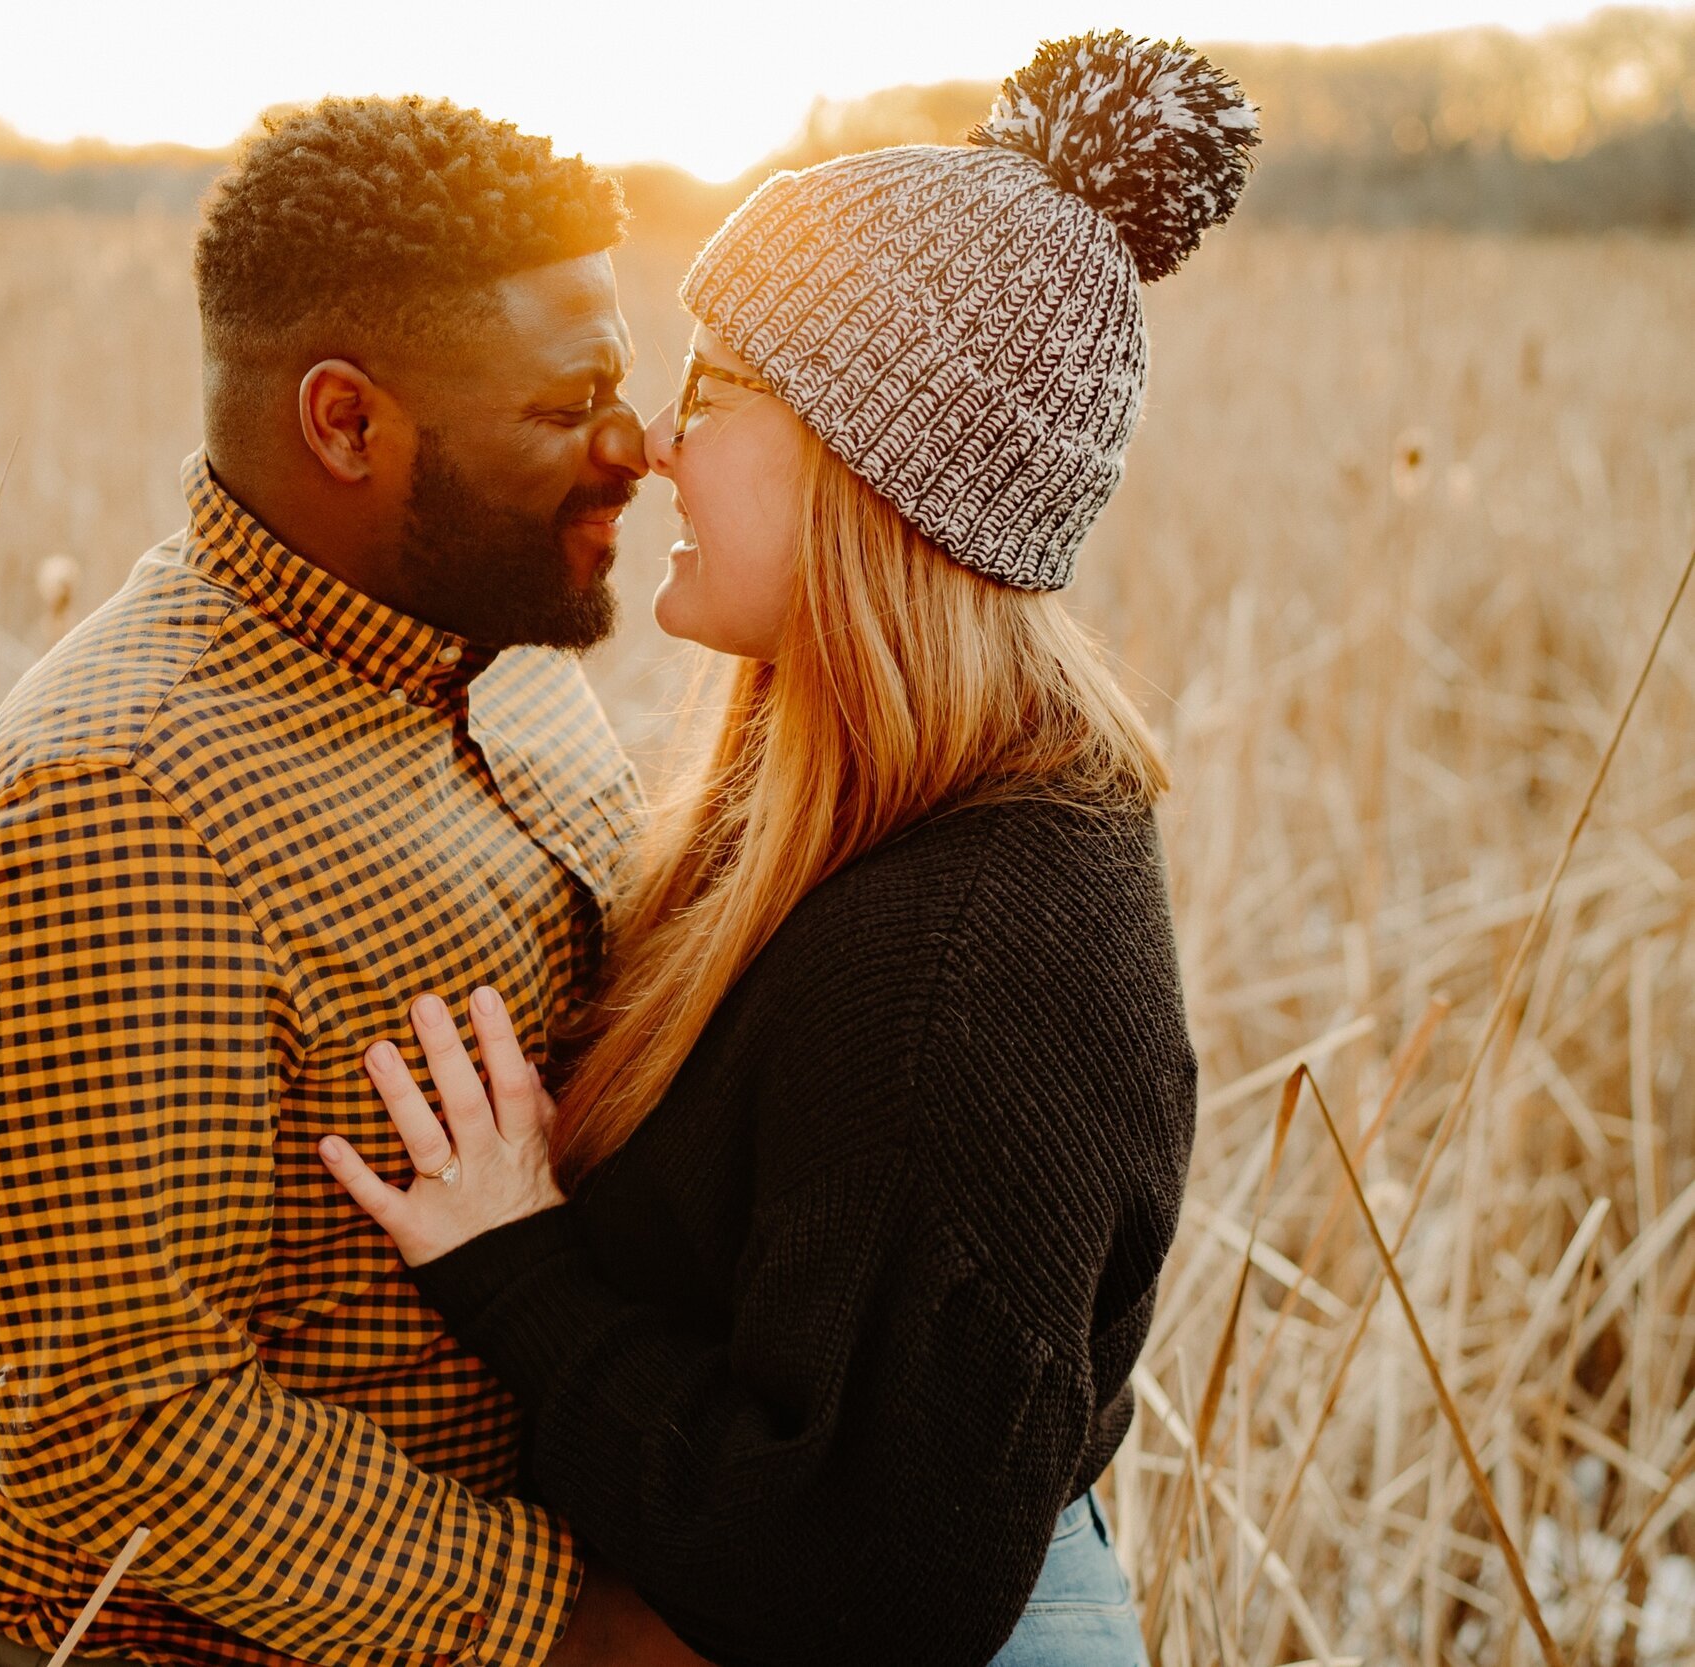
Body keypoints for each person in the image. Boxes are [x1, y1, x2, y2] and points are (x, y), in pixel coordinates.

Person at [321, 33, 1259, 1667]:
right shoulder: (859, 822)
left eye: (719, 395)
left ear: (872, 472)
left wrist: (515, 1266)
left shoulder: (969, 960)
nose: (658, 448)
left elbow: (869, 1588)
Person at [0, 96, 699, 1667]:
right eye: (568, 405)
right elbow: (120, 1420)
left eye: (619, 386)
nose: (633, 448)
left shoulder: (503, 659)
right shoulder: (113, 812)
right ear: (348, 424)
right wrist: (587, 1637)